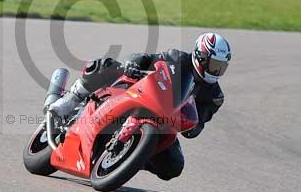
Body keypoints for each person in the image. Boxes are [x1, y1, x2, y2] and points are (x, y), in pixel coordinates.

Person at [48, 32, 231, 181]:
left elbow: (200, 123)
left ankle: (132, 156)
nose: (216, 71)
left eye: (221, 67)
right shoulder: (177, 58)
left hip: (164, 123)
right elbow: (144, 58)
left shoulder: (215, 95)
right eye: (214, 65)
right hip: (140, 94)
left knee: (174, 166)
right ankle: (72, 99)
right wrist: (133, 64)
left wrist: (192, 125)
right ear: (200, 57)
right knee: (105, 66)